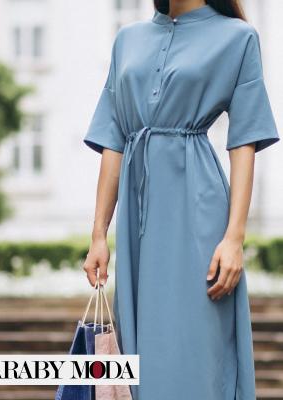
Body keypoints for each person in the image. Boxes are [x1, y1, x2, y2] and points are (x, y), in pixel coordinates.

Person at [82, 0, 280, 399]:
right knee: (139, 351)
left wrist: (234, 237)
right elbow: (113, 141)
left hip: (199, 211)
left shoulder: (238, 37)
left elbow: (244, 141)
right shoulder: (128, 40)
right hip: (138, 221)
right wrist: (98, 234)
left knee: (197, 344)